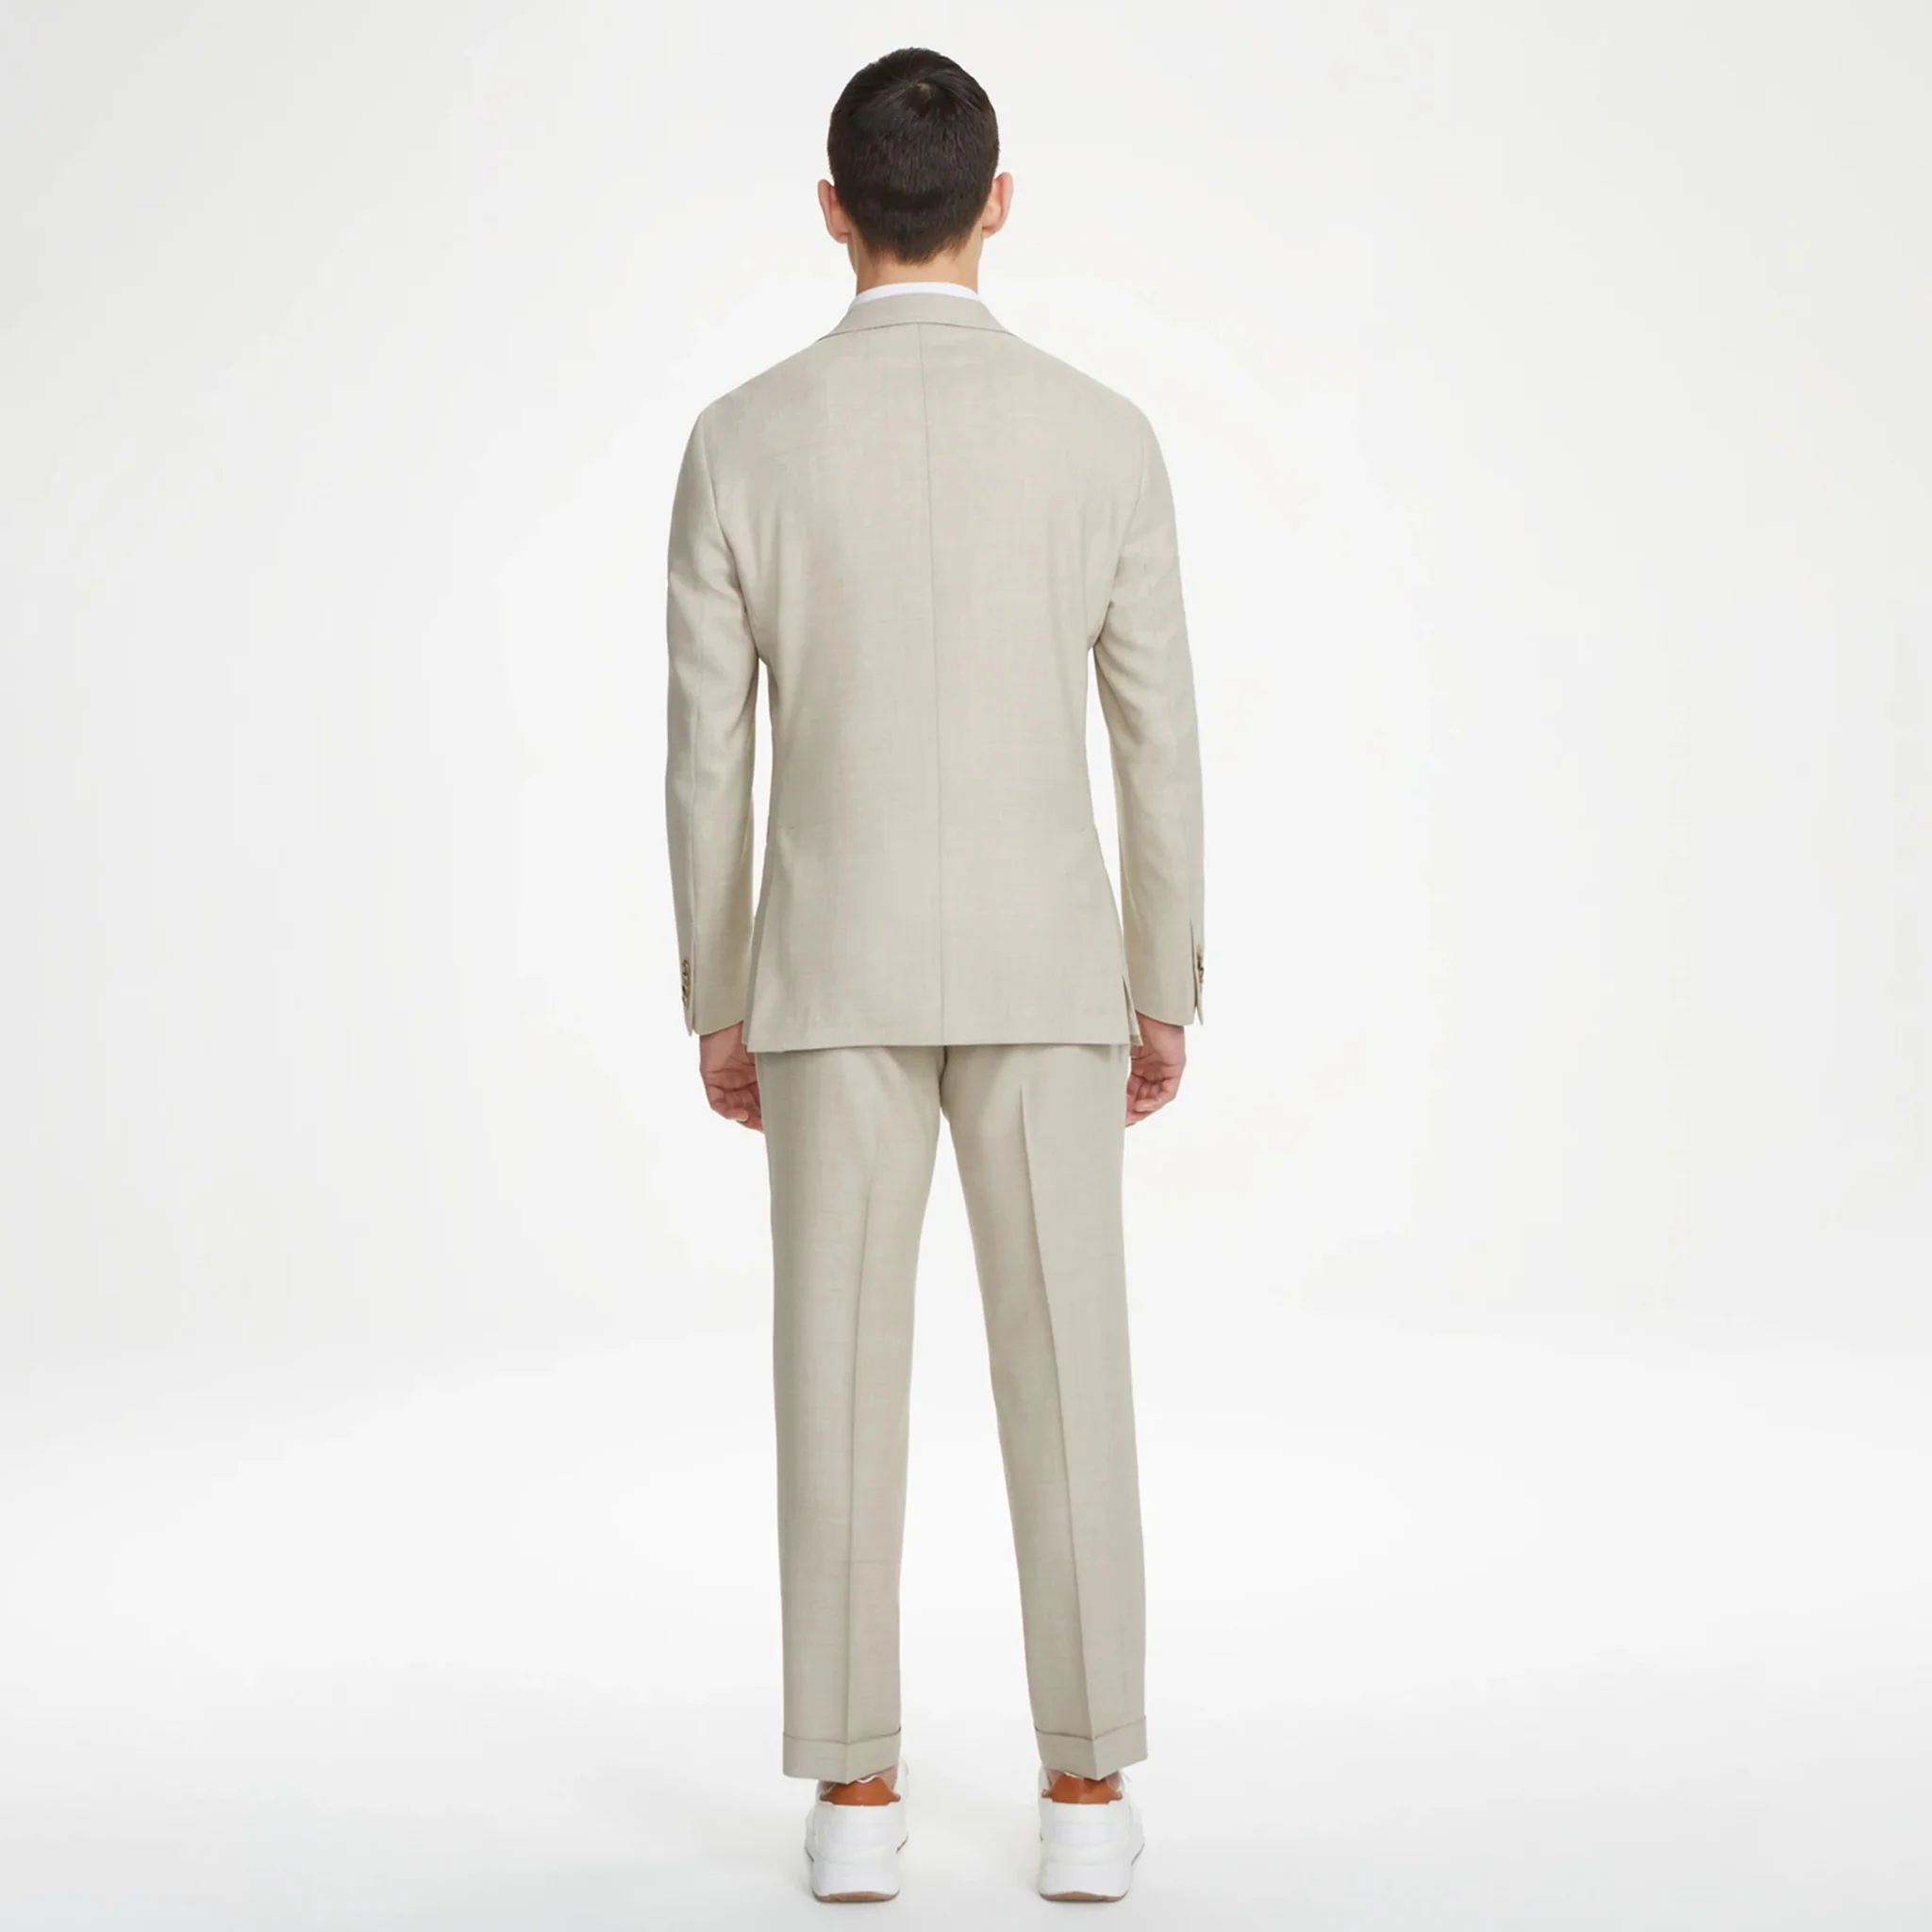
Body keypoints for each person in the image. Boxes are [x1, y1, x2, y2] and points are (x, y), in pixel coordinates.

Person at [663, 44, 1204, 1904]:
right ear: (998, 204)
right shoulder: (1103, 437)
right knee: (1073, 1374)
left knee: (834, 1373)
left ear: (833, 211)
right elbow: (1157, 738)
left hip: (826, 969)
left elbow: (706, 754)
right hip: (1054, 965)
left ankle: (856, 1799)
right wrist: (1158, 976)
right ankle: (1085, 1794)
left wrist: (719, 991)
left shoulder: (740, 440)